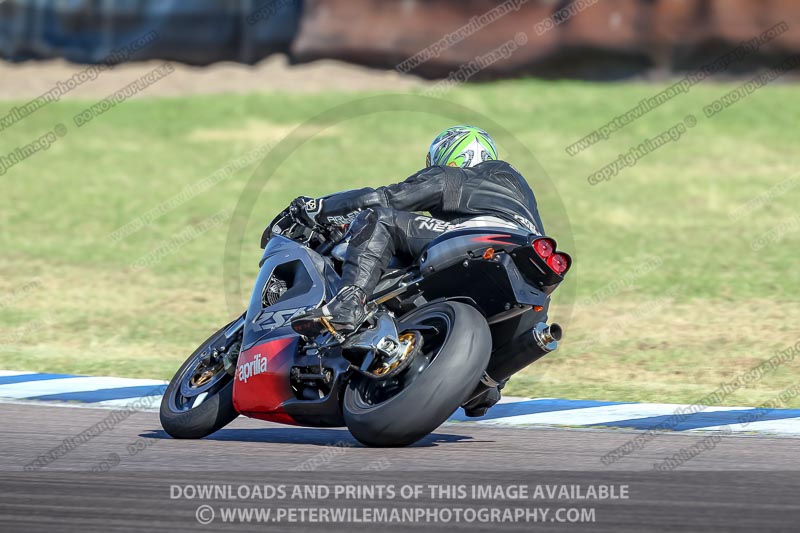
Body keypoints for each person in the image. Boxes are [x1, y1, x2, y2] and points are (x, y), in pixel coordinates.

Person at [287, 125, 546, 337]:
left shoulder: (455, 176)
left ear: (448, 157)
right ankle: (485, 387)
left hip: (481, 235)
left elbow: (386, 199)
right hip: (531, 271)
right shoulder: (520, 191)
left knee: (381, 220)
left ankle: (348, 305)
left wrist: (318, 207)